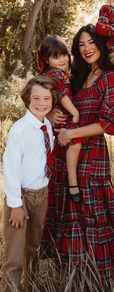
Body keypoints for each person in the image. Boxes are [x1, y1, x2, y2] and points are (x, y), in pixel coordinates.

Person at [41, 24, 114, 284]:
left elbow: (112, 121)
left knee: (93, 211)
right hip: (64, 153)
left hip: (91, 155)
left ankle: (105, 273)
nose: (86, 49)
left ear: (101, 45)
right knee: (69, 210)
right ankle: (75, 273)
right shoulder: (76, 78)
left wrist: (74, 133)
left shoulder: (111, 77)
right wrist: (50, 113)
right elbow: (49, 97)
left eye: (91, 42)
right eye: (80, 45)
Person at [2, 75, 57, 291]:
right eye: (36, 98)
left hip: (41, 195)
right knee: (14, 255)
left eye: (46, 98)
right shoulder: (20, 129)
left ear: (53, 101)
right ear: (27, 99)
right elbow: (11, 169)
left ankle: (30, 287)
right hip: (21, 197)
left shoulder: (47, 127)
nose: (41, 103)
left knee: (33, 249)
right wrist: (15, 205)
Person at [38, 35, 82, 203]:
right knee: (75, 142)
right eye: (56, 57)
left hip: (59, 120)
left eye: (64, 55)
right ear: (47, 60)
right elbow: (63, 96)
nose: (62, 59)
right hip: (64, 118)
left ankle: (69, 181)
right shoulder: (55, 73)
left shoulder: (59, 74)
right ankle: (72, 181)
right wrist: (75, 113)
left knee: (72, 146)